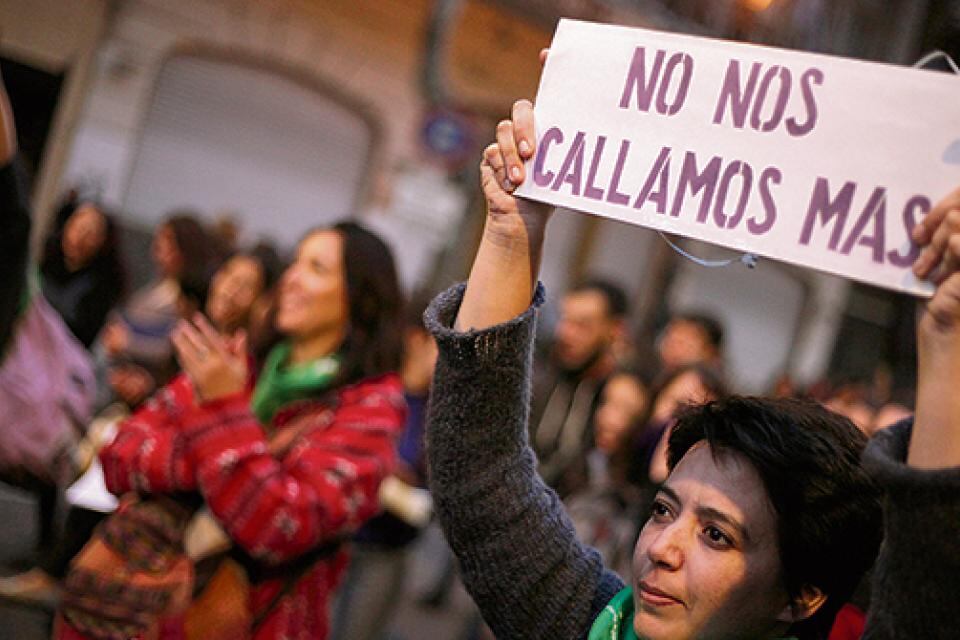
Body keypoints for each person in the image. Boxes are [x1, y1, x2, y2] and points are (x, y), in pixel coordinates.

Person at [424, 97, 960, 638]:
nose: (662, 548)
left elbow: (926, 602)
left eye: (716, 535)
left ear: (802, 597)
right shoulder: (586, 624)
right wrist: (511, 230)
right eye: (663, 510)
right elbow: (480, 470)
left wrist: (948, 333)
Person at [55, 221, 407, 640]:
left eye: (317, 268)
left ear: (361, 297)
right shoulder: (237, 361)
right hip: (131, 599)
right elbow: (120, 455)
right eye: (295, 262)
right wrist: (220, 455)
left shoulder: (368, 413)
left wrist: (220, 416)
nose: (292, 278)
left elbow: (280, 525)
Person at [0, 245, 282, 607]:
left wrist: (141, 447)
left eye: (245, 286)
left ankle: (55, 572)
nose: (229, 288)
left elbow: (190, 442)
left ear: (263, 303)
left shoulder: (239, 367)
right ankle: (53, 567)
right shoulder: (202, 337)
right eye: (228, 275)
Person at [330, 295, 437, 640]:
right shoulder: (376, 389)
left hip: (389, 546)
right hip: (342, 537)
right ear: (417, 339)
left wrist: (412, 479)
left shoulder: (439, 413)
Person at [97, 213, 217, 408]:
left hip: (147, 381)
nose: (158, 244)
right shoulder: (156, 282)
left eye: (168, 240)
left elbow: (171, 346)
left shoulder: (187, 297)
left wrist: (128, 343)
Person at [532, 278, 628, 497]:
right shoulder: (540, 369)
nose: (565, 334)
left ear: (614, 330)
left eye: (583, 325)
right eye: (564, 320)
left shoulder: (618, 392)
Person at [40, 201, 126, 348]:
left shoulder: (101, 286)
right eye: (76, 227)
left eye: (89, 233)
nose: (79, 237)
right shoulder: (47, 261)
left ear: (103, 241)